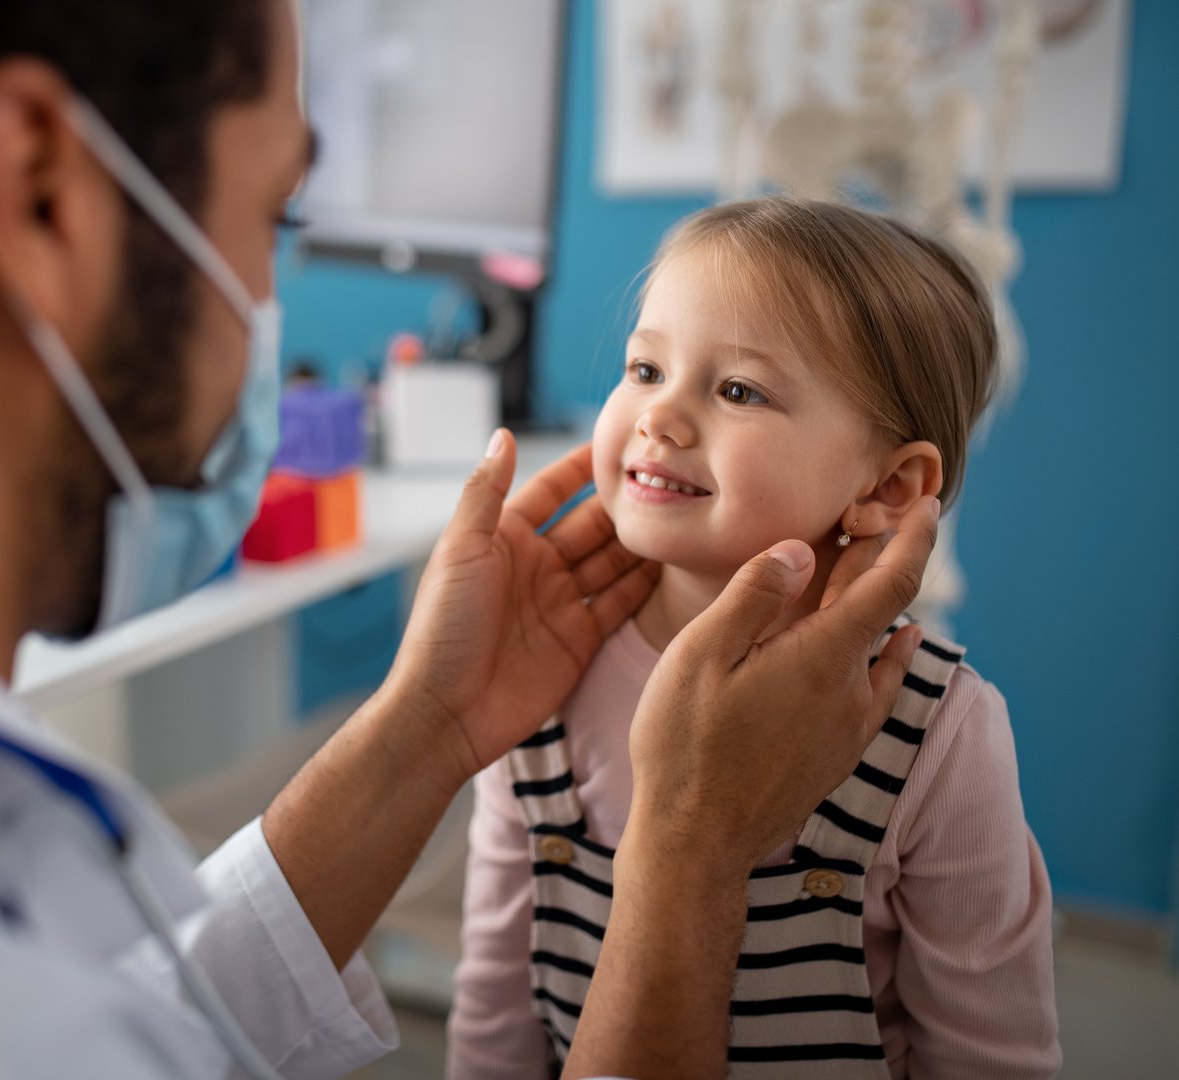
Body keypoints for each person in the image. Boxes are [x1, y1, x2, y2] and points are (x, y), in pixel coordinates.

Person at [0, 3, 938, 1077]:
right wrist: (690, 856)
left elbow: (136, 1031)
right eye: (271, 217)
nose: (268, 302)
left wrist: (429, 723)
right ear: (42, 196)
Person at [449, 198, 1061, 1079]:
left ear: (889, 486)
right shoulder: (543, 670)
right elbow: (495, 1017)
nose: (660, 417)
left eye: (737, 389)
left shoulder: (938, 732)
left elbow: (992, 1056)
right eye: (646, 367)